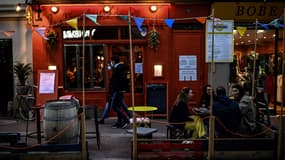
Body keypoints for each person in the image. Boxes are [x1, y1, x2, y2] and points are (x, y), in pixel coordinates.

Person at [109, 55, 132, 129]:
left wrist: (116, 87)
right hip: (119, 89)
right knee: (119, 105)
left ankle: (125, 119)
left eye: (111, 61)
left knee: (114, 106)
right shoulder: (119, 67)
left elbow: (120, 80)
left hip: (118, 90)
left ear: (113, 61)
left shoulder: (118, 68)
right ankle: (120, 122)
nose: (110, 63)